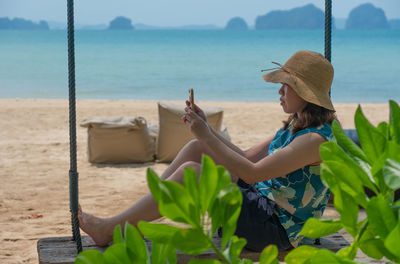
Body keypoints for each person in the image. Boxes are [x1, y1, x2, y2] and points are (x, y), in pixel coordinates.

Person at [79, 50, 337, 251]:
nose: (280, 90)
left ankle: (113, 229)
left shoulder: (314, 139)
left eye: (287, 85)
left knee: (194, 172)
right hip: (263, 205)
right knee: (197, 147)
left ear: (307, 93)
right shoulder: (298, 123)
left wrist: (205, 132)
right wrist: (207, 132)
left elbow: (252, 173)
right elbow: (246, 157)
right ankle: (133, 220)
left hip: (276, 229)